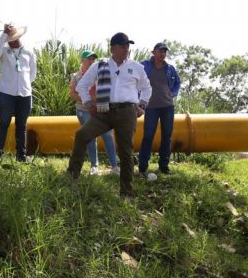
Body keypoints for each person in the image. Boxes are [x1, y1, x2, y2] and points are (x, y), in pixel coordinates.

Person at [67, 32, 152, 198]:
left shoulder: (136, 67)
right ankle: (71, 177)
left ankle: (126, 193)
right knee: (82, 135)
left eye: (128, 46)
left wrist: (142, 105)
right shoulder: (100, 65)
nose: (127, 49)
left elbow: (147, 88)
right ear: (113, 48)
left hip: (127, 111)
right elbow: (82, 86)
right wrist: (89, 103)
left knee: (126, 151)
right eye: (123, 46)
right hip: (103, 111)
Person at [0, 24, 37, 161]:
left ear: (20, 37)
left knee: (21, 125)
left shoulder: (29, 50)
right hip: (6, 93)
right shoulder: (3, 50)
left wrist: (25, 84)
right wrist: (4, 34)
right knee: (4, 122)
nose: (12, 41)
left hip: (25, 93)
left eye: (14, 39)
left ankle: (21, 156)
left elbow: (33, 72)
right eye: (9, 39)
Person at [70, 51, 118, 175]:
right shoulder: (76, 76)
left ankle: (114, 165)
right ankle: (94, 166)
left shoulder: (100, 72)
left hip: (101, 110)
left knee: (108, 136)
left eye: (93, 59)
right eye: (89, 59)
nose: (92, 61)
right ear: (82, 61)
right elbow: (73, 94)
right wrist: (88, 100)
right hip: (83, 110)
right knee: (90, 137)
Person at [138, 42, 181, 180]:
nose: (162, 54)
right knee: (148, 136)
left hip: (167, 107)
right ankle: (142, 167)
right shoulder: (144, 65)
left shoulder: (170, 68)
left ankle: (164, 166)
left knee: (167, 137)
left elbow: (178, 83)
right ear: (153, 52)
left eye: (164, 52)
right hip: (150, 107)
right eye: (160, 51)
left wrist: (173, 92)